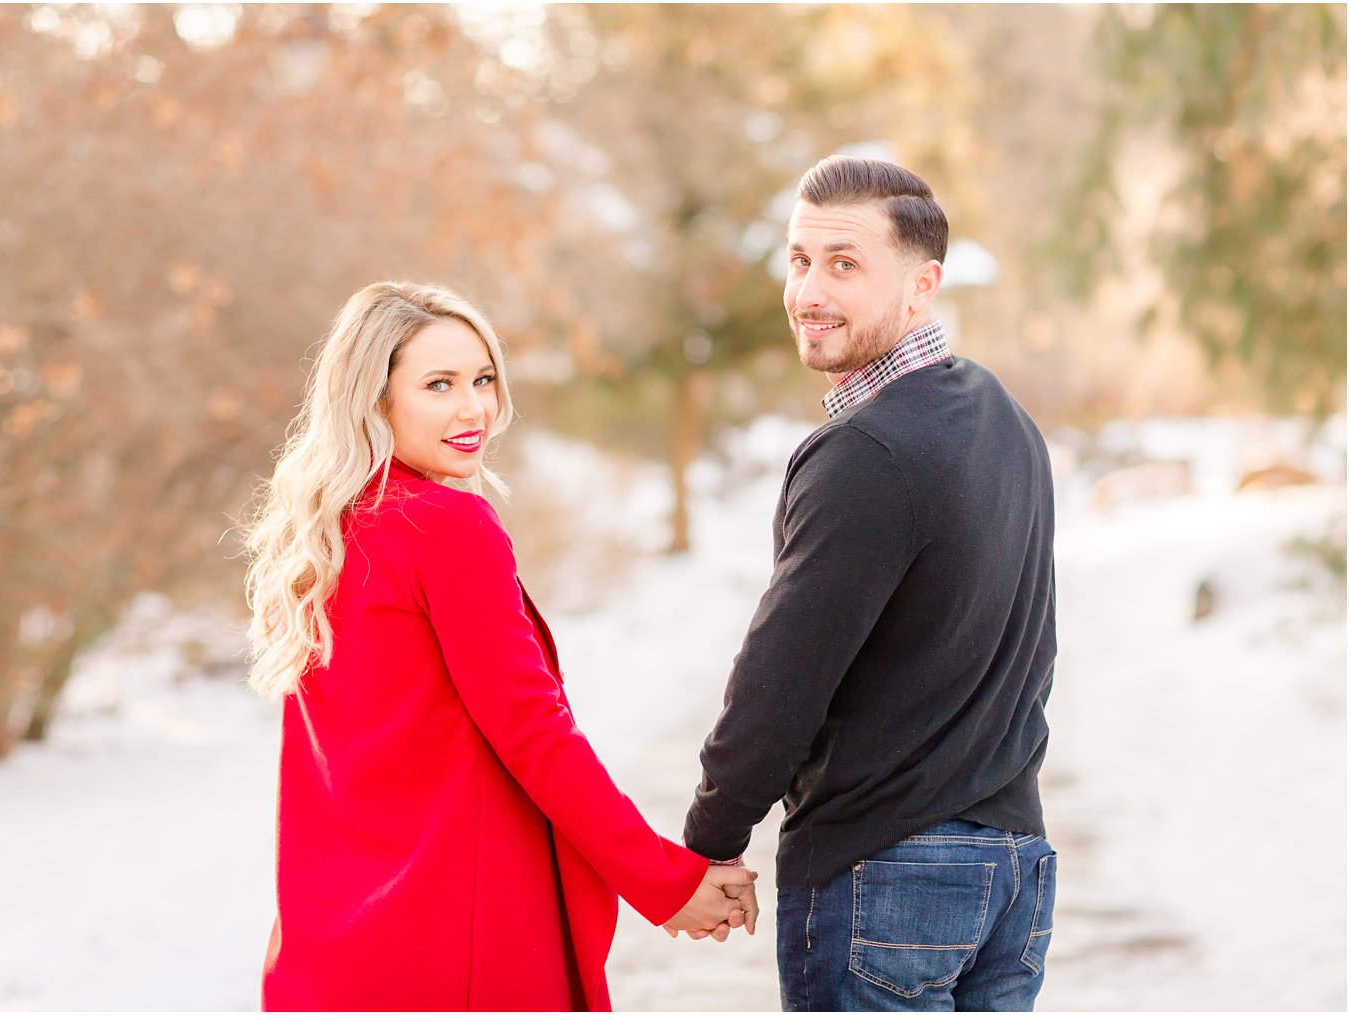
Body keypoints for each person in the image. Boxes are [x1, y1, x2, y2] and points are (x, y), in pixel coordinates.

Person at [243, 280, 758, 1012]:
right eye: (439, 384)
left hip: (335, 949)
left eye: (482, 379)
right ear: (375, 397)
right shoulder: (448, 528)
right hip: (455, 941)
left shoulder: (327, 533)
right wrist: (663, 881)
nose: (473, 408)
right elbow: (533, 731)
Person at [681, 157, 1058, 1011]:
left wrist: (712, 839)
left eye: (844, 264)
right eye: (799, 260)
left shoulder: (866, 452)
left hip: (888, 876)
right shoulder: (1005, 416)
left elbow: (782, 677)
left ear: (923, 286)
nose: (809, 290)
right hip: (1014, 872)